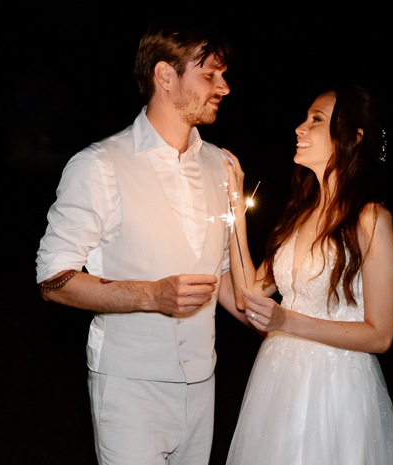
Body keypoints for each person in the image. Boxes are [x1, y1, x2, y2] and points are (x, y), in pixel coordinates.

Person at [35, 16, 252, 465]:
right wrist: (152, 295)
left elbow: (226, 283)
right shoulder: (100, 165)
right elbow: (52, 280)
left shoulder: (220, 165)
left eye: (223, 74)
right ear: (165, 75)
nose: (224, 86)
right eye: (210, 74)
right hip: (130, 388)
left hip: (204, 385)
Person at [222, 83, 393, 464]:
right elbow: (248, 295)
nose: (300, 128)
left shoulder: (370, 220)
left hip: (336, 388)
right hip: (277, 383)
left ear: (352, 139)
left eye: (316, 120)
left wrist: (286, 320)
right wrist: (233, 210)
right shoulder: (297, 218)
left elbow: (381, 334)